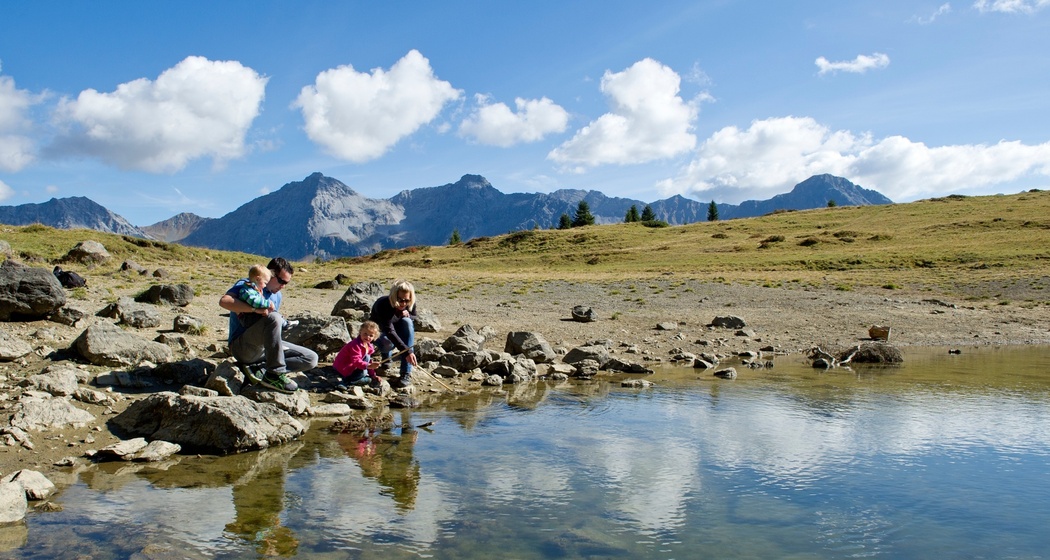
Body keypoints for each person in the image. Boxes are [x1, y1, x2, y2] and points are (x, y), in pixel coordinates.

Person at [219, 257, 318, 393]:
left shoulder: (277, 296)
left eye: (286, 283)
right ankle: (274, 374)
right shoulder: (249, 285)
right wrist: (254, 309)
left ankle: (261, 369)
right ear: (270, 274)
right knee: (274, 317)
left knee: (311, 358)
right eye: (281, 281)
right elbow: (224, 301)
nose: (282, 286)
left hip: (263, 348)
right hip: (243, 347)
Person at [370, 279, 418, 388]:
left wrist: (408, 315)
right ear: (393, 296)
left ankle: (406, 372)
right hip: (380, 332)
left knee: (408, 322)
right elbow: (389, 330)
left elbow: (414, 316)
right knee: (388, 343)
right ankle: (386, 356)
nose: (403, 303)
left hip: (396, 328)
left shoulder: (409, 303)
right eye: (400, 300)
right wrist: (407, 352)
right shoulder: (383, 305)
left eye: (406, 300)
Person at [332, 320, 382, 387]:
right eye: (365, 334)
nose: (367, 337)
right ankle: (348, 381)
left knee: (367, 359)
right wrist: (368, 366)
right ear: (360, 332)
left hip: (352, 367)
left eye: (371, 335)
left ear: (374, 337)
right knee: (364, 372)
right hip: (343, 368)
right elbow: (356, 361)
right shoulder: (355, 345)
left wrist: (373, 375)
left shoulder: (369, 346)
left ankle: (352, 380)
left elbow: (368, 360)